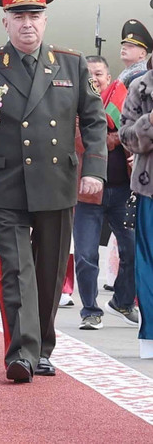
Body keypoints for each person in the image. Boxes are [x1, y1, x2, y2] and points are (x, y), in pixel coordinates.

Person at [0, 0, 106, 382]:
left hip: (56, 182)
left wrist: (94, 170)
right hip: (5, 183)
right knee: (15, 269)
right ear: (5, 21)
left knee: (48, 270)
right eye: (19, 17)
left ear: (45, 20)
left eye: (35, 16)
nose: (27, 24)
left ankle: (44, 345)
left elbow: (94, 121)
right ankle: (22, 354)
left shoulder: (71, 62)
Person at [74, 55, 137, 330]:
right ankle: (90, 309)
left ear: (109, 78)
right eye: (89, 74)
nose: (94, 79)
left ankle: (122, 301)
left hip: (123, 191)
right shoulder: (74, 106)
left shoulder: (123, 102)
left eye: (99, 74)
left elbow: (134, 132)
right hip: (88, 194)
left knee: (134, 250)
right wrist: (117, 138)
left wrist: (124, 138)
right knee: (86, 255)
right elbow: (81, 141)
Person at [119, 64, 153, 359]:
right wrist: (150, 122)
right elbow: (125, 136)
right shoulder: (140, 87)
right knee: (148, 263)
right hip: (150, 189)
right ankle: (151, 335)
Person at [116, 19, 152, 86]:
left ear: (142, 54)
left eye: (130, 46)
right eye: (123, 45)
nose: (124, 48)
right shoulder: (129, 70)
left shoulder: (141, 73)